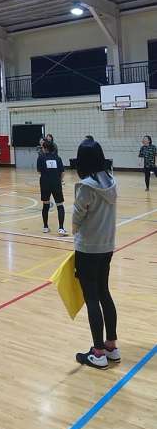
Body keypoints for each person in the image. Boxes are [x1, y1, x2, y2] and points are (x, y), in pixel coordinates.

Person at [73, 139, 119, 370]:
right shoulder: (111, 180)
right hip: (107, 246)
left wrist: (74, 231)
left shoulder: (85, 187)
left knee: (91, 298)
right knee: (104, 294)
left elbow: (77, 218)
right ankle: (111, 346)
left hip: (88, 249)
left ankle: (98, 353)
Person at [36, 139, 67, 235]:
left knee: (45, 204)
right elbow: (62, 172)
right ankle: (61, 228)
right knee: (60, 205)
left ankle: (45, 227)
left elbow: (39, 171)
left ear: (45, 148)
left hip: (45, 183)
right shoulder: (58, 158)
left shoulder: (41, 158)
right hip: (56, 183)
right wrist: (58, 180)